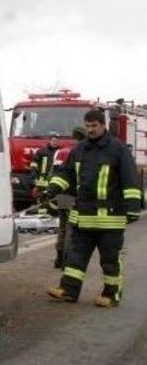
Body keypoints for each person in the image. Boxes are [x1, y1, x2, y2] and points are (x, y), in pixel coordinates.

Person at [45, 109, 141, 307]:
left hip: (110, 219)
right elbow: (67, 173)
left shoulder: (118, 149)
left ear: (103, 125)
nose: (90, 130)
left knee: (110, 260)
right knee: (75, 258)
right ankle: (68, 290)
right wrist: (53, 187)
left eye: (94, 126)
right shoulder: (79, 149)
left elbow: (130, 178)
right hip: (83, 216)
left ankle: (111, 295)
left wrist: (133, 207)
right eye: (87, 126)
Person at [51, 127, 86, 268]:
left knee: (62, 227)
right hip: (74, 194)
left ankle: (59, 258)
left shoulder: (61, 151)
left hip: (61, 192)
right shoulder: (82, 152)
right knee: (71, 229)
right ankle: (67, 260)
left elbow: (53, 173)